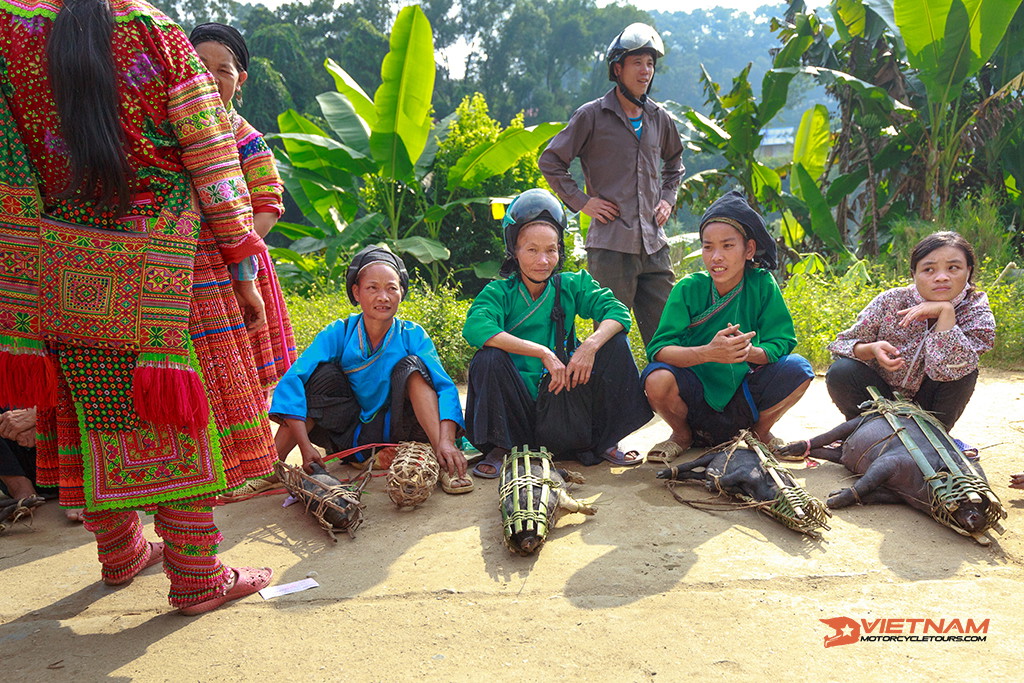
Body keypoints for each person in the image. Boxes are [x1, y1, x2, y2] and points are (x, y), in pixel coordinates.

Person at [0, 0, 275, 613]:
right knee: (174, 411)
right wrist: (242, 265)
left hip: (59, 256)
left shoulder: (11, 32)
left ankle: (121, 549)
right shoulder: (155, 34)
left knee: (94, 405)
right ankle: (197, 576)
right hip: (169, 261)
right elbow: (211, 158)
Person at [462, 189, 652, 477]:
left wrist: (590, 345)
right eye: (532, 250)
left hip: (566, 403)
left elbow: (617, 312)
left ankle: (605, 439)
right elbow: (476, 327)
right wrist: (542, 351)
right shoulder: (499, 293)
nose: (543, 260)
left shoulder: (573, 285)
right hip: (520, 408)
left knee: (614, 342)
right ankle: (502, 446)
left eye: (551, 250)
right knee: (488, 358)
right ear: (514, 250)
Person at [270, 246, 473, 494]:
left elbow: (445, 388)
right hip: (350, 431)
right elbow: (293, 381)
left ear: (402, 293)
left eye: (391, 288)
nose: (383, 297)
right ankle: (270, 466)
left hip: (399, 427)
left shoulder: (412, 334)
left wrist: (446, 441)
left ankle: (443, 461)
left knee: (414, 369)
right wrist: (305, 446)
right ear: (356, 292)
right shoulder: (339, 332)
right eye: (372, 288)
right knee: (318, 376)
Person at [539, 22, 684, 345]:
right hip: (610, 246)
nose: (645, 70)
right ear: (617, 68)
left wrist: (667, 198)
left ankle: (666, 394)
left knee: (670, 335)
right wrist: (582, 202)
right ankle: (611, 397)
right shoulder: (591, 116)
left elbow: (675, 162)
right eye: (637, 62)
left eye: (650, 63)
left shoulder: (659, 118)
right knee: (609, 339)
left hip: (654, 245)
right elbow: (551, 160)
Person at [642, 190, 814, 463]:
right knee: (656, 378)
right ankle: (682, 435)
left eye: (727, 246)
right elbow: (660, 350)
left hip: (743, 391)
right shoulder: (688, 288)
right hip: (694, 392)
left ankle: (759, 432)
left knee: (799, 370)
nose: (716, 257)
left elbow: (781, 341)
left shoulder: (762, 284)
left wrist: (748, 353)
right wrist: (707, 353)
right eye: (708, 246)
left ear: (749, 250)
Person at [189, 23, 298, 392]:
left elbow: (266, 209)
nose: (211, 76)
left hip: (235, 265)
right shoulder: (164, 130)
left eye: (224, 70)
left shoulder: (247, 140)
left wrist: (227, 252)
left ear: (241, 80)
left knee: (235, 378)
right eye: (201, 65)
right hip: (176, 261)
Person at [826, 231, 995, 457]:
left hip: (931, 408)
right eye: (929, 269)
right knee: (841, 371)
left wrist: (945, 313)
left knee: (964, 370)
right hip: (879, 403)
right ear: (914, 273)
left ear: (969, 271)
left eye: (953, 268)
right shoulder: (891, 300)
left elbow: (953, 369)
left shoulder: (976, 311)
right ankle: (863, 433)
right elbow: (842, 344)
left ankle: (936, 437)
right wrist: (872, 350)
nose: (942, 277)